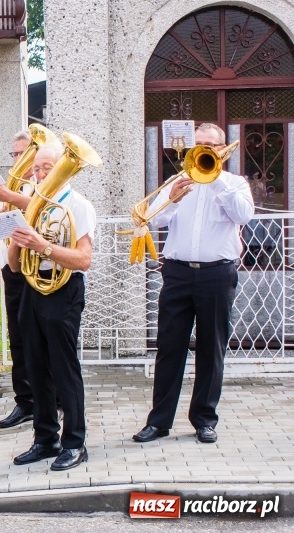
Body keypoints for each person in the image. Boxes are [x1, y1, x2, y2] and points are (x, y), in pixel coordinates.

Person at [133, 123, 254, 445]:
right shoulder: (176, 181)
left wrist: (214, 182)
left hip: (217, 274)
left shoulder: (234, 184)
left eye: (210, 145)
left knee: (211, 349)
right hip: (177, 273)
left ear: (223, 151)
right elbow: (150, 219)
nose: (203, 149)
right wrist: (171, 199)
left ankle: (204, 420)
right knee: (169, 348)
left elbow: (243, 216)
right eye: (198, 144)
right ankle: (159, 422)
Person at [7, 142, 96, 471]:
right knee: (34, 367)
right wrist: (16, 242)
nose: (40, 173)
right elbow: (15, 267)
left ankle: (75, 443)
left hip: (63, 289)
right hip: (33, 288)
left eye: (46, 167)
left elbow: (84, 260)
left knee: (63, 368)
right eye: (37, 168)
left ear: (63, 167)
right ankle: (45, 438)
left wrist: (44, 246)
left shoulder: (78, 205)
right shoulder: (34, 206)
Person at [0, 131, 36, 429]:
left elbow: (41, 206)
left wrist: (11, 197)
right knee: (17, 338)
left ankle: (52, 401)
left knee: (39, 337)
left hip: (35, 267)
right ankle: (25, 400)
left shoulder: (42, 181)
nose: (16, 159)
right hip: (10, 268)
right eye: (14, 154)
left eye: (22, 153)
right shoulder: (10, 186)